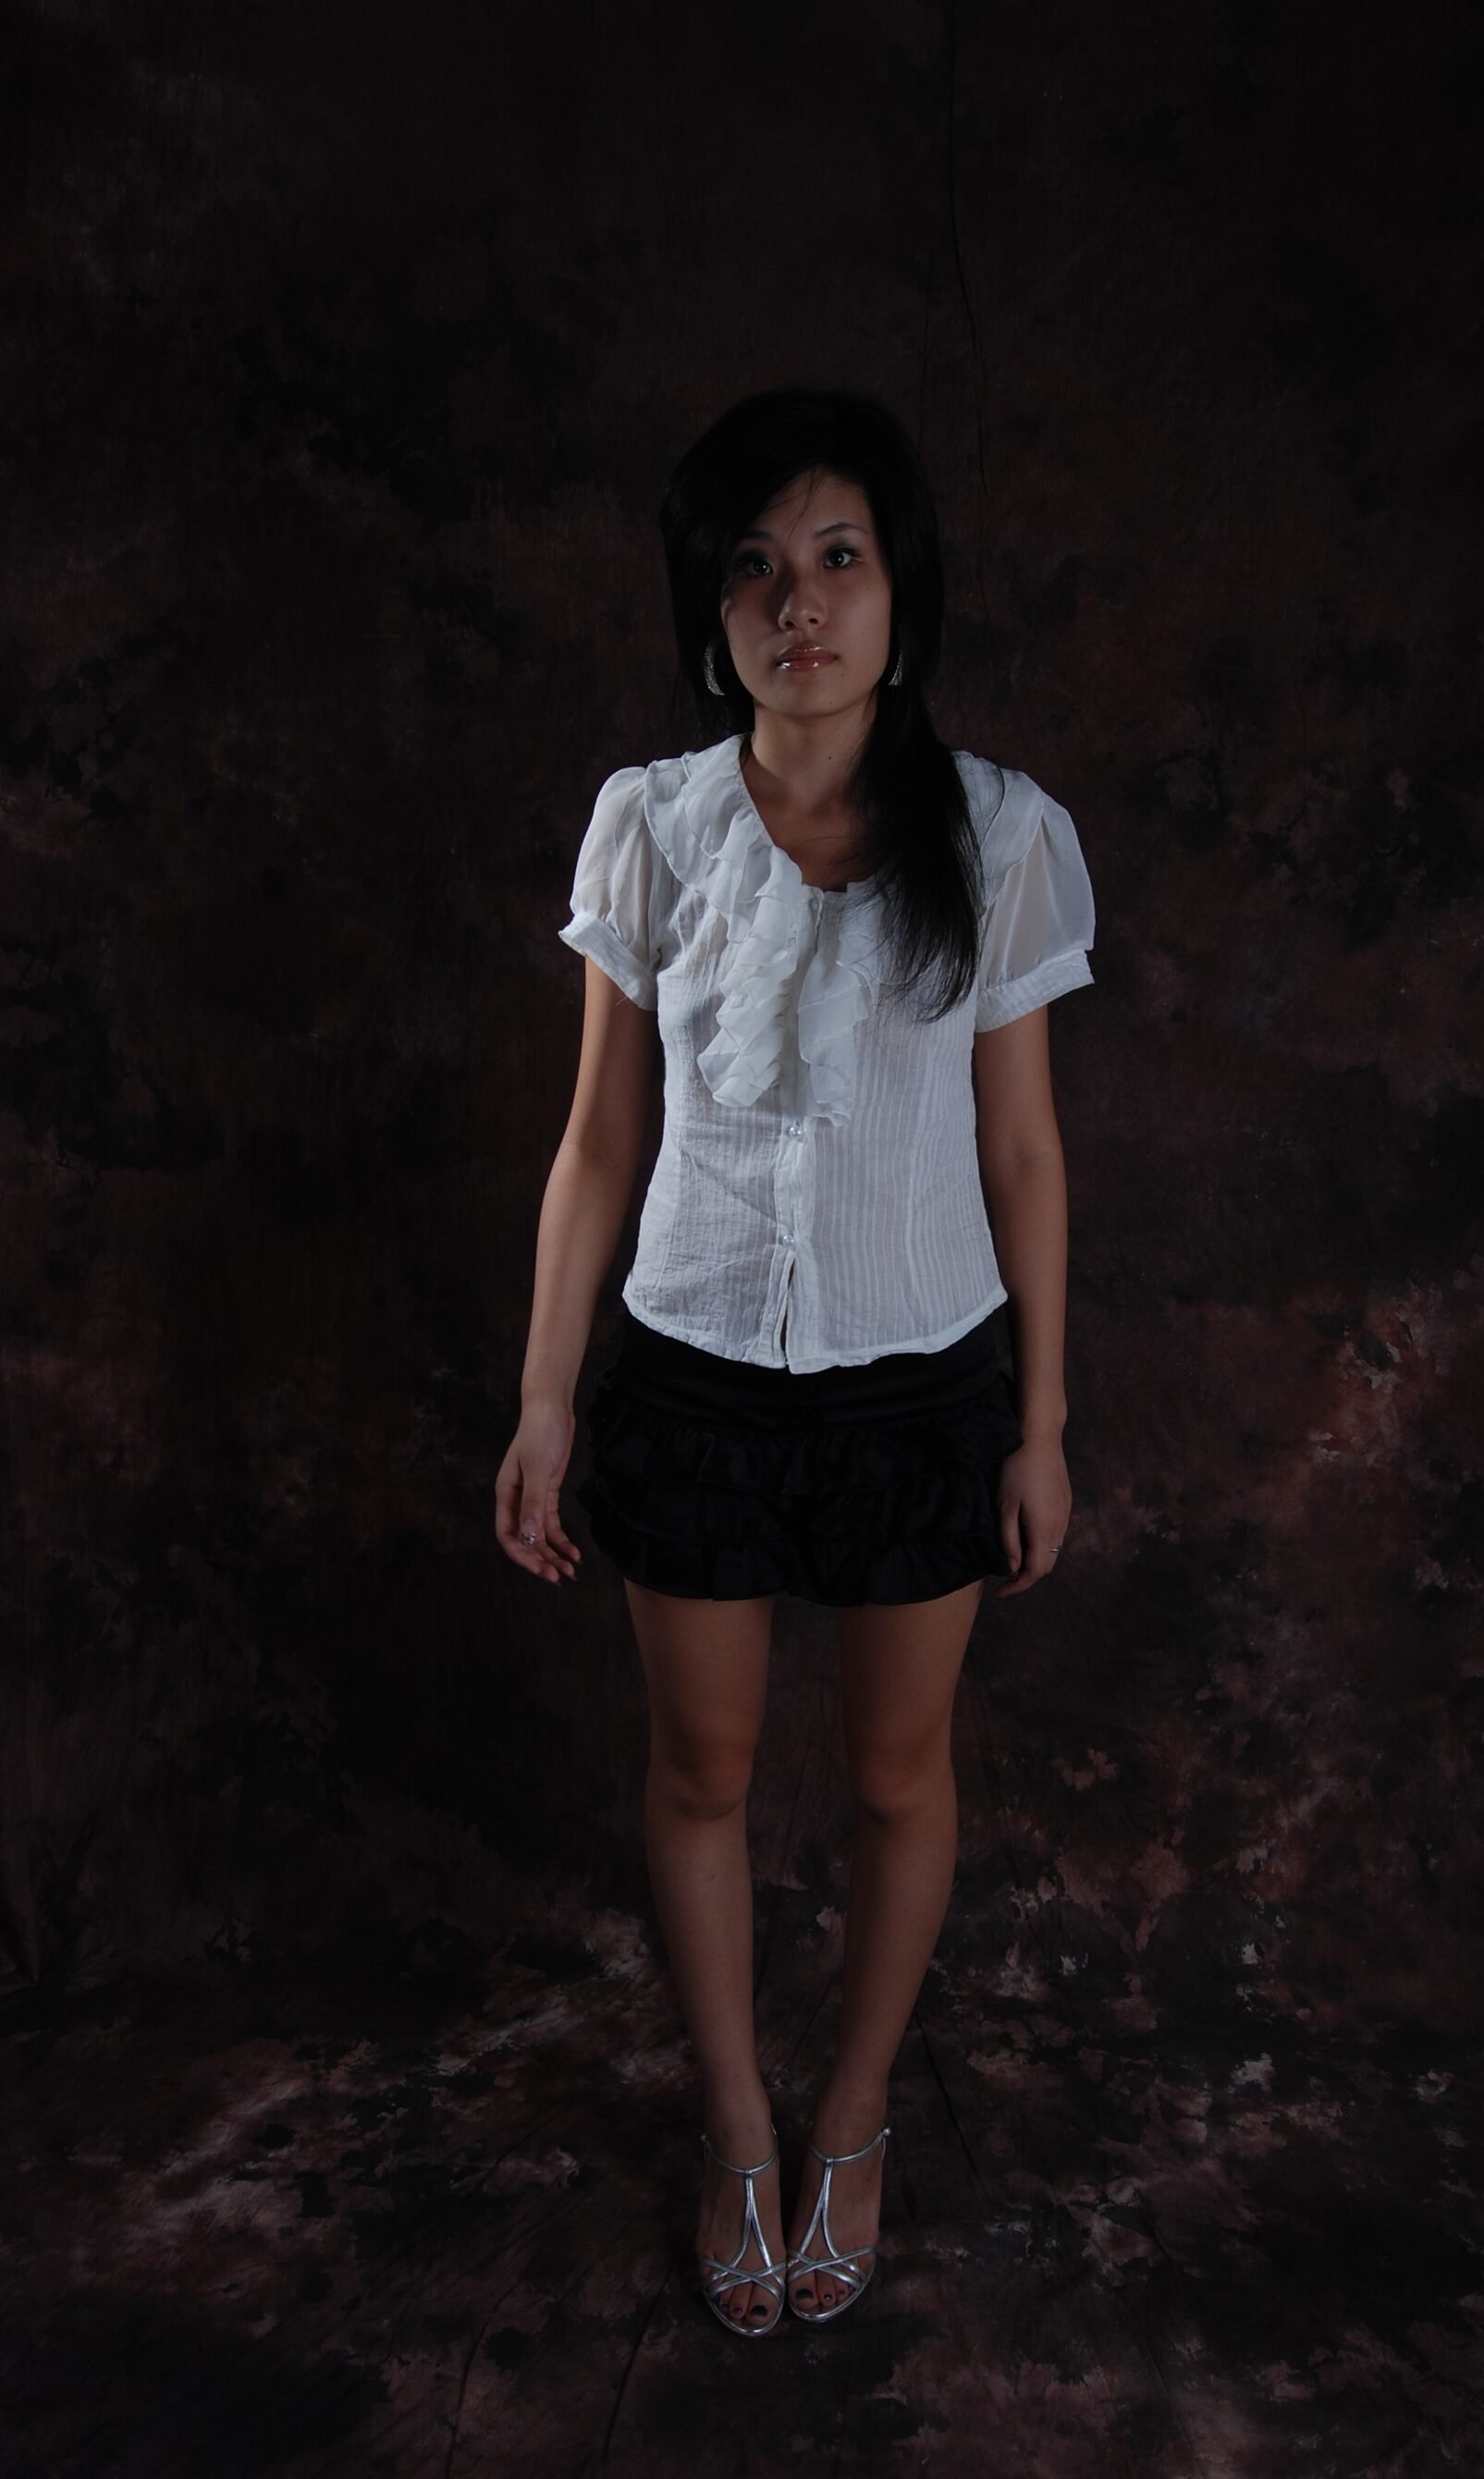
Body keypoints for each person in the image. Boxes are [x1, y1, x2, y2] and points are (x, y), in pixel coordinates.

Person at [494, 387, 1095, 2337]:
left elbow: (1023, 1152)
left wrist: (1041, 1423)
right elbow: (598, 1139)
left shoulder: (1000, 833)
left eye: (838, 557)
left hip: (923, 1380)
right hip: (687, 1376)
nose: (799, 603)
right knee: (704, 1769)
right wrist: (547, 1396)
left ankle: (855, 2114)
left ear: (901, 591)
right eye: (755, 568)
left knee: (901, 1773)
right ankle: (741, 2127)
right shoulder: (652, 825)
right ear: (712, 611)